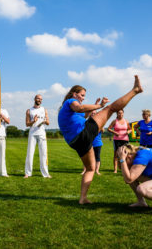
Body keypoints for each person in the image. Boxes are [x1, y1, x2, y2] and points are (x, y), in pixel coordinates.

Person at [58, 75, 143, 204]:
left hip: (76, 142)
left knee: (91, 168)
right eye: (81, 95)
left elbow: (83, 115)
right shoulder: (70, 102)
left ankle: (83, 198)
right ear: (74, 94)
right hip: (82, 134)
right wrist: (99, 106)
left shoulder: (69, 109)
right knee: (110, 108)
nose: (83, 98)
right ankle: (135, 90)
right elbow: (79, 108)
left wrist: (94, 108)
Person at [24, 94, 51, 178]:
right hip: (32, 134)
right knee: (30, 153)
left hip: (42, 134)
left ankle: (45, 174)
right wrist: (33, 121)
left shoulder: (44, 110)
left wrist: (44, 121)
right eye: (38, 98)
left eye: (41, 99)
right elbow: (27, 124)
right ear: (34, 99)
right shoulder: (29, 110)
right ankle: (27, 173)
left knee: (43, 154)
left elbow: (48, 122)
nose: (39, 100)